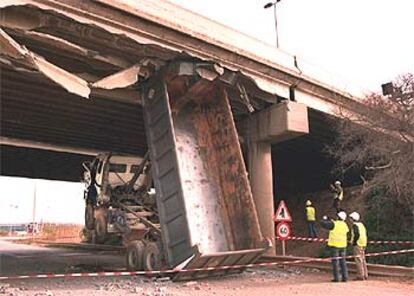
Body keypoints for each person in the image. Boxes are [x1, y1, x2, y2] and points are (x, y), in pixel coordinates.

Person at [321, 211, 349, 282]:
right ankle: (345, 277)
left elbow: (323, 224)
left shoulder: (334, 224)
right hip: (343, 246)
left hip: (335, 246)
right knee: (343, 262)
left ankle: (337, 278)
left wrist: (325, 219)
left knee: (335, 262)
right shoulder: (345, 225)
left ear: (338, 217)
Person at [349, 212, 368, 280]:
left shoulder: (355, 225)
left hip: (358, 244)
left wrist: (354, 242)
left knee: (358, 260)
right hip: (363, 243)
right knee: (363, 259)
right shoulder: (361, 225)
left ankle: (360, 275)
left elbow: (356, 235)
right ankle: (365, 274)